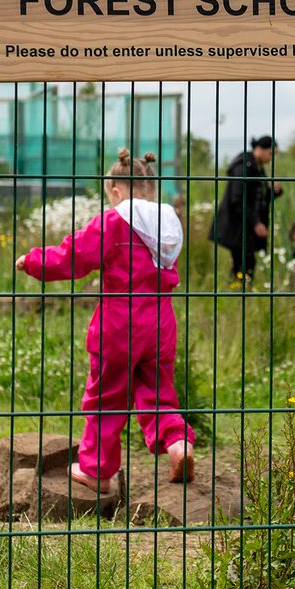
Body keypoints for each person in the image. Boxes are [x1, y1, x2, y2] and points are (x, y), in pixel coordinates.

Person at [15, 149, 194, 493]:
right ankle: (177, 443)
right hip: (160, 323)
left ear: (115, 192)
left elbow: (73, 257)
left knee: (107, 398)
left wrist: (33, 262)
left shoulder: (114, 221)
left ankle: (96, 470)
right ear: (152, 189)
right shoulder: (169, 224)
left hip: (119, 324)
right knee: (158, 394)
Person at [210, 135, 281, 283]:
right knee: (244, 263)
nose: (271, 158)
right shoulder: (244, 167)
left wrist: (274, 192)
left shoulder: (255, 167)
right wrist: (256, 223)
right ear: (260, 149)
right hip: (237, 226)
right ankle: (239, 291)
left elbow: (258, 199)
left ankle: (238, 289)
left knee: (244, 262)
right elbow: (238, 199)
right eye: (270, 154)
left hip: (244, 226)